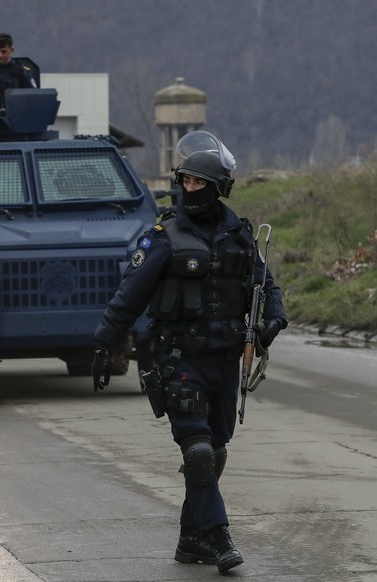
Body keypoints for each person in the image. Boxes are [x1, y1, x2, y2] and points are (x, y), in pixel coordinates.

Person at [91, 130, 287, 574]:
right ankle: (219, 536)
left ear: (217, 187)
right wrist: (105, 345)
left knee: (213, 454)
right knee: (197, 452)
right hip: (179, 360)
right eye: (186, 181)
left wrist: (274, 318)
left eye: (199, 182)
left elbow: (265, 284)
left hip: (225, 363)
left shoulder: (240, 235)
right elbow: (128, 296)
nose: (189, 189)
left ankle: (190, 540)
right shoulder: (164, 236)